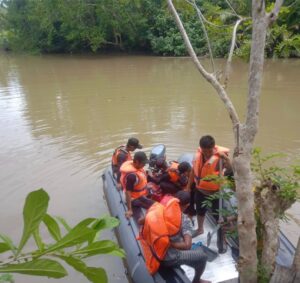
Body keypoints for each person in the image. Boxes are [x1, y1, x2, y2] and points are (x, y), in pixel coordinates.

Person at [139, 191, 210, 283]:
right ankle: (196, 280)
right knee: (202, 256)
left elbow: (140, 221)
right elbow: (187, 245)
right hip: (168, 258)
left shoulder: (159, 209)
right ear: (187, 205)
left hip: (153, 249)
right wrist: (168, 243)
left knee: (192, 252)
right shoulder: (184, 219)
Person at [189, 135, 231, 236]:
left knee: (219, 215)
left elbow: (230, 170)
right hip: (200, 190)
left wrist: (226, 158)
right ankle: (200, 229)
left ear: (213, 148)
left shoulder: (220, 158)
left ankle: (223, 237)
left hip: (215, 192)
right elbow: (193, 171)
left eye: (209, 151)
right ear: (201, 148)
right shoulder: (198, 155)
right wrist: (188, 186)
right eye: (204, 151)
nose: (207, 154)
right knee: (200, 211)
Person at [120, 151, 154, 219]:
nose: (144, 165)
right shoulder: (132, 176)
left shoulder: (137, 167)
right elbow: (128, 192)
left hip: (139, 193)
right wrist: (129, 210)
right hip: (134, 198)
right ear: (136, 161)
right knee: (154, 206)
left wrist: (146, 186)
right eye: (143, 163)